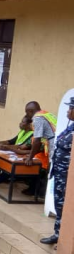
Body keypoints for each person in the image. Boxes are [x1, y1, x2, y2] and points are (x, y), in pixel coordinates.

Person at [40, 98, 74, 246]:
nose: (68, 111)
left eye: (70, 108)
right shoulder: (71, 127)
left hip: (68, 176)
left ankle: (64, 238)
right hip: (60, 174)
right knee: (59, 204)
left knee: (66, 206)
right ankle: (57, 233)